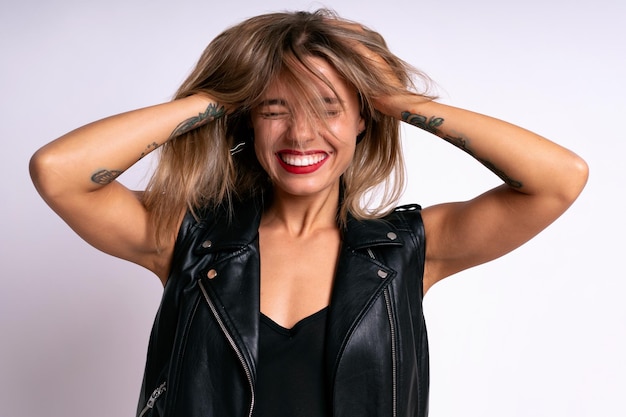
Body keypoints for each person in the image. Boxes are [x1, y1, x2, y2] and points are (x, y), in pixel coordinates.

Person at [29, 9, 588, 417]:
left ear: (364, 119)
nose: (301, 134)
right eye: (275, 109)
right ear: (249, 120)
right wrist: (225, 94)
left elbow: (557, 179)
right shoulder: (188, 240)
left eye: (329, 108)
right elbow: (59, 170)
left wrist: (397, 99)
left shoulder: (409, 250)